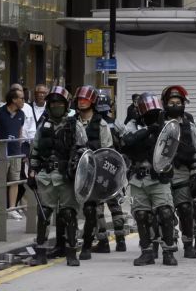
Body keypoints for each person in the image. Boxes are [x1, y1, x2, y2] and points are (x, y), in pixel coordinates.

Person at [121, 92, 178, 266]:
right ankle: (146, 251)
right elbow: (126, 142)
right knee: (140, 214)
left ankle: (169, 251)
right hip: (138, 177)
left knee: (166, 212)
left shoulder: (167, 126)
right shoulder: (132, 125)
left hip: (158, 177)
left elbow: (172, 148)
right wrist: (146, 131)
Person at [27, 86, 79, 266]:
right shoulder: (44, 125)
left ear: (66, 105)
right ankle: (40, 252)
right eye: (53, 102)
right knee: (44, 213)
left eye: (60, 103)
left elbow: (84, 151)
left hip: (66, 177)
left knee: (69, 213)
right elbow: (35, 149)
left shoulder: (75, 125)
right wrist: (31, 172)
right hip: (46, 176)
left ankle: (71, 252)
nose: (56, 106)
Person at [66, 86, 114, 261]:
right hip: (74, 172)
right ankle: (68, 245)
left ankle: (86, 245)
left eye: (85, 99)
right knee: (68, 210)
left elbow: (108, 151)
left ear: (92, 102)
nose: (81, 102)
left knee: (90, 210)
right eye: (79, 99)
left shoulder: (101, 124)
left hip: (93, 174)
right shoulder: (71, 123)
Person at [161, 85, 196, 260]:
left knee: (186, 208)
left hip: (183, 172)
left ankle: (189, 244)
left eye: (178, 102)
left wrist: (195, 173)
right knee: (164, 211)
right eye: (171, 102)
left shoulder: (189, 124)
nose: (174, 105)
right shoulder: (158, 123)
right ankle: (168, 244)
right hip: (162, 173)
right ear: (165, 104)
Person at [93, 90, 129, 253]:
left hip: (98, 169)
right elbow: (125, 143)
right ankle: (121, 241)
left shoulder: (95, 125)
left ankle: (103, 242)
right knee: (115, 206)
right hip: (114, 169)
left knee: (98, 207)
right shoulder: (117, 124)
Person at [0, 88, 26, 218]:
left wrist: (19, 144)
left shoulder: (21, 114)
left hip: (16, 152)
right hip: (2, 153)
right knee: (0, 180)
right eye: (21, 98)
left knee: (15, 181)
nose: (23, 101)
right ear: (14, 100)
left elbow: (20, 130)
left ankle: (12, 208)